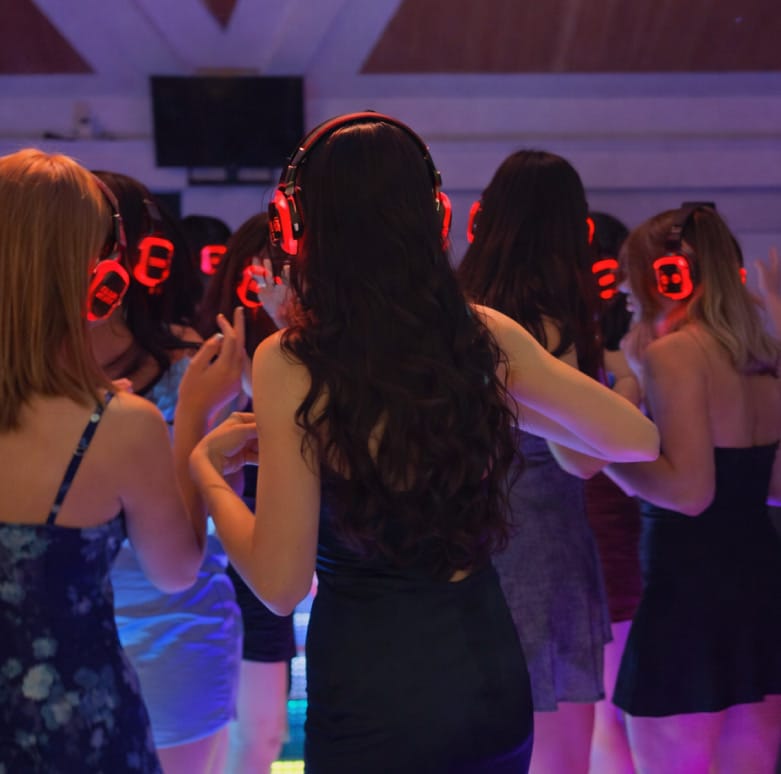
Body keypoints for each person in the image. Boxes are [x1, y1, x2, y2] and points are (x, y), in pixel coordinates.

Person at [177, 112, 659, 774]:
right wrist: (491, 402)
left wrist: (206, 468)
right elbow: (633, 439)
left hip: (375, 694)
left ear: (297, 224)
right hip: (489, 676)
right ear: (433, 215)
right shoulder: (478, 333)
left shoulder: (291, 359)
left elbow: (280, 585)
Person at [0, 149, 234, 771]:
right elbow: (177, 570)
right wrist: (190, 421)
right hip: (80, 728)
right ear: (99, 277)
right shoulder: (120, 426)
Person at [556, 204, 781, 773]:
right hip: (760, 592)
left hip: (686, 597)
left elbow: (689, 493)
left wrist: (603, 453)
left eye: (632, 273)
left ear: (670, 278)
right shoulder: (763, 358)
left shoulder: (675, 354)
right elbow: (773, 487)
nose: (625, 289)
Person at [457, 150, 614, 774]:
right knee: (558, 757)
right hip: (540, 544)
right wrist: (620, 405)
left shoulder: (459, 314)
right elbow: (581, 456)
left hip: (466, 540)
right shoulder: (549, 324)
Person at [88, 170, 243, 774]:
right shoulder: (26, 368)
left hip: (178, 635)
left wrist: (200, 412)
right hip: (58, 637)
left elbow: (195, 538)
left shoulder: (189, 362)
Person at [197, 212, 296, 774]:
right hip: (209, 562)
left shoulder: (300, 356)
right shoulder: (205, 356)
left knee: (263, 733)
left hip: (267, 557)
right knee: (224, 734)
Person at [584, 212, 643, 774]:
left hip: (601, 529)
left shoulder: (581, 349)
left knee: (604, 715)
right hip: (628, 526)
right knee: (615, 714)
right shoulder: (639, 343)